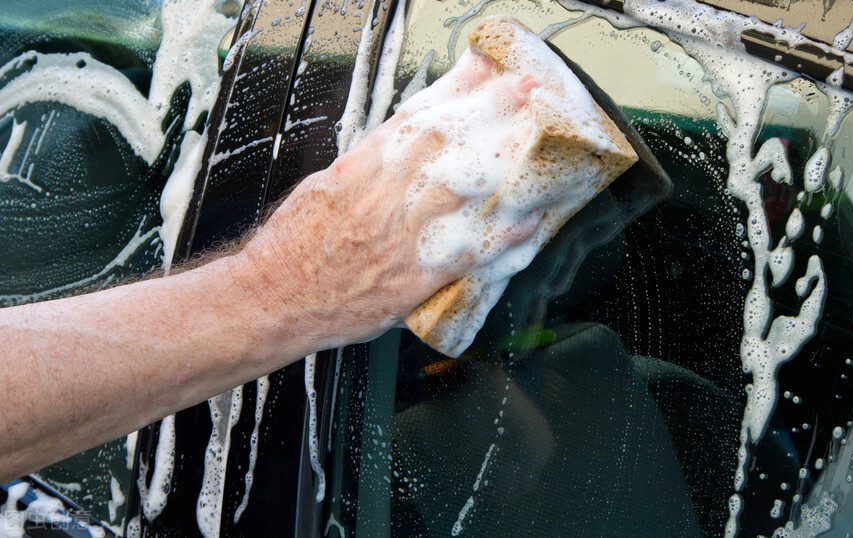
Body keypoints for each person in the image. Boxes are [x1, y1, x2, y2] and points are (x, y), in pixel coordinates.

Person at [0, 71, 539, 484]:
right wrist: (278, 287)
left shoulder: (398, 272)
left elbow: (516, 442)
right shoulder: (212, 229)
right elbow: (524, 448)